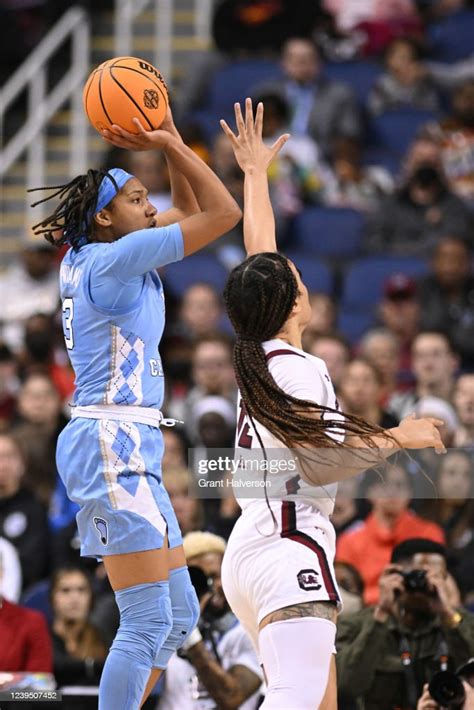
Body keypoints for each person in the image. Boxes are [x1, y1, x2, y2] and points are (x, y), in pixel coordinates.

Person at [218, 98, 445, 710]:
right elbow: (319, 463)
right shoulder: (298, 370)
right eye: (295, 275)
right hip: (290, 546)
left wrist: (255, 177)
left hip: (253, 548)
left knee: (322, 704)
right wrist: (402, 436)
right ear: (292, 303)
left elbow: (258, 254)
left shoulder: (254, 351)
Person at [29, 106, 241, 710]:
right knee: (146, 622)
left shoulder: (102, 251)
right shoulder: (117, 259)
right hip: (111, 444)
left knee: (177, 619)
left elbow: (193, 206)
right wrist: (172, 138)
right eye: (138, 200)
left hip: (126, 441)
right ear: (104, 217)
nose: (152, 208)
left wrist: (170, 151)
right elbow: (222, 214)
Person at [336, 538, 474, 710]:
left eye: (438, 578)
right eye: (418, 577)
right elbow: (345, 688)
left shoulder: (461, 622)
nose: (427, 585)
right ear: (393, 576)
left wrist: (448, 615)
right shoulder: (356, 626)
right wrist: (381, 615)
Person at [159, 531, 263, 709]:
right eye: (198, 579)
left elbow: (231, 698)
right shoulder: (163, 630)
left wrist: (190, 633)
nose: (210, 586)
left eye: (215, 576)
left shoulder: (251, 631)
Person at [336, 464, 445, 605]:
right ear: (369, 492)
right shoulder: (350, 540)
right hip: (366, 615)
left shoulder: (429, 533)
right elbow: (346, 594)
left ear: (410, 493)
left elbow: (439, 582)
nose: (392, 492)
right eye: (384, 484)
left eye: (400, 485)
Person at [417, 237, 474, 369]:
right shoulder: (421, 290)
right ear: (433, 262)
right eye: (445, 258)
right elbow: (427, 328)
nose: (450, 266)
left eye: (457, 260)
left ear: (468, 263)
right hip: (431, 366)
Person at [50, 566, 107, 688]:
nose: (74, 598)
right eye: (65, 590)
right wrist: (92, 666)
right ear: (53, 598)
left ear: (91, 598)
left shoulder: (103, 636)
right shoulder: (41, 637)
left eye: (81, 590)